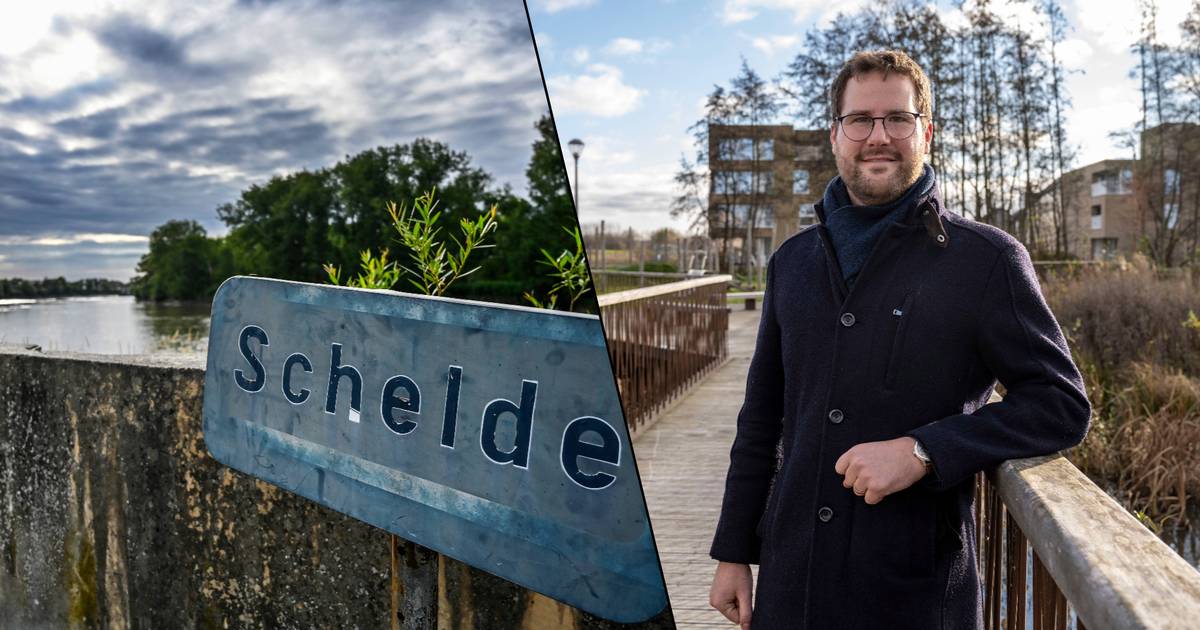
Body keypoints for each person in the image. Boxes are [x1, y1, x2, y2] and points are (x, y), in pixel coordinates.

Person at [706, 49, 1090, 630]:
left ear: (925, 133)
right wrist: (734, 551)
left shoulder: (985, 261)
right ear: (835, 135)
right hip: (793, 580)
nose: (877, 136)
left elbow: (1060, 405)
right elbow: (761, 417)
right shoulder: (793, 262)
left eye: (897, 119)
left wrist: (924, 450)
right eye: (859, 120)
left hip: (910, 590)